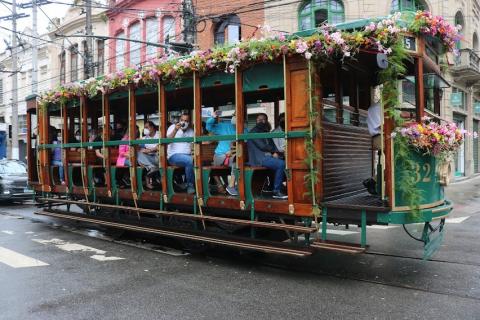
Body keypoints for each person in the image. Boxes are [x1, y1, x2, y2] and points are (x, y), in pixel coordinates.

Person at [247, 113, 287, 199]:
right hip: (259, 159)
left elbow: (272, 144)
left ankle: (274, 187)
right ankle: (276, 191)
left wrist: (275, 152)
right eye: (259, 120)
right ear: (256, 121)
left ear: (266, 120)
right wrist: (273, 152)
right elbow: (262, 146)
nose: (261, 121)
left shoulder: (264, 131)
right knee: (281, 164)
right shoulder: (254, 132)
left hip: (267, 157)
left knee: (285, 162)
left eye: (263, 119)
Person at [205, 110, 238, 196]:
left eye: (238, 115)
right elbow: (208, 127)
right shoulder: (224, 126)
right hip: (220, 156)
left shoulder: (244, 129)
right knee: (237, 161)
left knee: (240, 160)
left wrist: (233, 151)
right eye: (234, 115)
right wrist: (213, 116)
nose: (236, 117)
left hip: (234, 155)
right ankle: (231, 186)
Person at [166, 113, 195, 194]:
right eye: (182, 120)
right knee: (190, 160)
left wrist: (194, 152)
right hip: (173, 156)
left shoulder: (191, 131)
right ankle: (190, 185)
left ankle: (186, 183)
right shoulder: (172, 127)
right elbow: (167, 142)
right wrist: (175, 130)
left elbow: (193, 146)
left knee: (194, 159)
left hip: (188, 156)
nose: (183, 122)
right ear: (179, 120)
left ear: (189, 122)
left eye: (186, 121)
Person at [363, 87, 382, 195]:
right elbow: (383, 125)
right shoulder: (379, 108)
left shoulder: (373, 107)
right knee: (391, 163)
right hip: (380, 137)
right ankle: (373, 181)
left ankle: (374, 181)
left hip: (378, 137)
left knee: (388, 163)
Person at [137, 121, 160, 189]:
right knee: (138, 155)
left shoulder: (159, 134)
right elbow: (139, 149)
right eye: (144, 128)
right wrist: (138, 143)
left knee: (144, 163)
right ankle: (151, 168)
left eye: (147, 127)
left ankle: (151, 168)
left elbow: (160, 146)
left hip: (158, 157)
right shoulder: (144, 138)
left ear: (152, 127)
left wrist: (150, 150)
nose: (145, 129)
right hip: (149, 158)